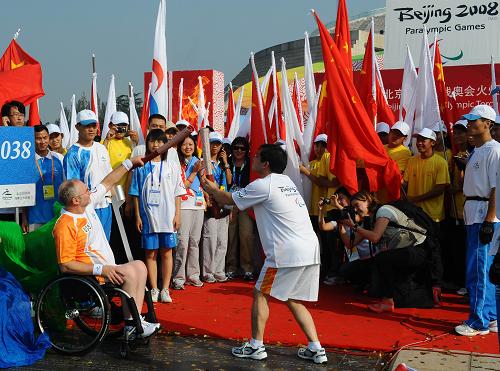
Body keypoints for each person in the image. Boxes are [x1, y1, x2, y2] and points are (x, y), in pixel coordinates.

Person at [201, 144, 327, 364]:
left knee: (261, 292)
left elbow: (230, 199)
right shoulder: (287, 182)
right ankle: (316, 348)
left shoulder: (264, 185)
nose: (254, 158)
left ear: (266, 163)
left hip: (286, 253)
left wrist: (210, 188)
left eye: (257, 156)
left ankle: (256, 346)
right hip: (309, 249)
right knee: (292, 299)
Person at [53, 155, 161, 338]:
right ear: (75, 201)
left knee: (140, 267)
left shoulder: (86, 206)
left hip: (104, 269)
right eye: (86, 191)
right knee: (130, 272)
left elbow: (108, 181)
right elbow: (65, 265)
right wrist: (101, 269)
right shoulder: (65, 225)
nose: (90, 192)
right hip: (91, 276)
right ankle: (131, 324)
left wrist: (130, 163)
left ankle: (133, 322)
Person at [336, 191, 430, 313]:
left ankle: (387, 301)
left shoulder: (383, 211)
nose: (355, 209)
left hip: (418, 249)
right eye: (353, 206)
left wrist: (354, 226)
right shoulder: (369, 220)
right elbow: (350, 244)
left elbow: (375, 237)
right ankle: (388, 296)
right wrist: (341, 225)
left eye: (357, 205)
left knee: (381, 258)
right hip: (404, 250)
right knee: (375, 267)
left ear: (368, 201)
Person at [455, 104, 500, 337]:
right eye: (469, 120)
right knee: (480, 269)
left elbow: (496, 187)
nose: (470, 124)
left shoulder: (494, 150)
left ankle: (479, 322)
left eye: (475, 120)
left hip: (485, 215)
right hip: (473, 212)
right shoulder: (476, 151)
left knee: (480, 270)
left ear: (488, 124)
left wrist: (490, 220)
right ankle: (491, 318)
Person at [129, 129, 185, 303]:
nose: (156, 145)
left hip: (167, 217)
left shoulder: (172, 166)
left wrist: (177, 215)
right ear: (147, 144)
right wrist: (137, 215)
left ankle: (165, 288)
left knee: (167, 253)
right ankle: (154, 288)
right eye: (152, 141)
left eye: (160, 142)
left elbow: (177, 193)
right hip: (148, 217)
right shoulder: (141, 166)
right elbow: (136, 193)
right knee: (150, 254)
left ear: (166, 145)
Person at [403, 127, 450, 303]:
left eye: (424, 140)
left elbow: (440, 188)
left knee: (434, 253)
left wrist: (416, 199)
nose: (420, 143)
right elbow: (405, 183)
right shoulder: (412, 161)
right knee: (416, 251)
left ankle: (436, 285)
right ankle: (420, 284)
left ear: (433, 143)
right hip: (414, 216)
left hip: (433, 216)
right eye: (418, 140)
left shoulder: (440, 162)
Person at [64, 110, 113, 240]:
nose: (91, 129)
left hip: (105, 205)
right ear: (77, 127)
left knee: (105, 245)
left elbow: (110, 175)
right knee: (89, 245)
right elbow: (73, 189)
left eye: (93, 125)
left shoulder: (101, 148)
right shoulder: (73, 154)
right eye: (87, 126)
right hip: (87, 209)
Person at [299, 134, 341, 284]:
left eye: (322, 145)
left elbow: (328, 182)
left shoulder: (328, 157)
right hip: (314, 210)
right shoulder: (311, 163)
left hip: (328, 209)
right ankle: (325, 270)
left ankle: (332, 271)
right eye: (316, 145)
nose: (319, 148)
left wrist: (305, 172)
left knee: (330, 243)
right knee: (320, 243)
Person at [171, 135, 205, 290]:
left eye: (191, 144)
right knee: (182, 242)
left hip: (198, 205)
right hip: (183, 205)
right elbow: (181, 186)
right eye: (184, 144)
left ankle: (193, 275)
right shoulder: (176, 163)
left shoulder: (199, 162)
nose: (188, 147)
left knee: (194, 242)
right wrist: (193, 172)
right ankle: (178, 277)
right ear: (180, 147)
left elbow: (203, 183)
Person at [21, 125, 65, 232]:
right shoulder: (27, 161)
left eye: (45, 138)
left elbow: (66, 186)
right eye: (38, 138)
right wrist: (24, 217)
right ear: (32, 140)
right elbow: (22, 191)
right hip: (35, 217)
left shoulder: (59, 158)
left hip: (58, 215)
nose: (42, 141)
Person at [201, 132, 231, 283]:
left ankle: (219, 270)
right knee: (210, 239)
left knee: (222, 241)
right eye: (212, 143)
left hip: (223, 204)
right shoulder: (203, 162)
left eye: (217, 144)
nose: (214, 146)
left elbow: (229, 182)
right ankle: (208, 271)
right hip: (211, 204)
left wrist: (225, 162)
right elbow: (202, 183)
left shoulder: (221, 165)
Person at [226, 136, 256, 280]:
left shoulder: (251, 163)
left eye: (242, 148)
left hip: (246, 203)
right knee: (230, 236)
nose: (239, 150)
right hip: (230, 202)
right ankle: (231, 267)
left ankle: (247, 268)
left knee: (246, 235)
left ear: (247, 151)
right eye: (236, 147)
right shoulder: (226, 163)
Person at [103, 111, 139, 187]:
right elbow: (101, 161)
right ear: (110, 125)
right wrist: (107, 140)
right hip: (110, 190)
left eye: (124, 125)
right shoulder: (104, 142)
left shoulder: (129, 142)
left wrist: (137, 142)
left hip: (126, 190)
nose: (120, 128)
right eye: (118, 125)